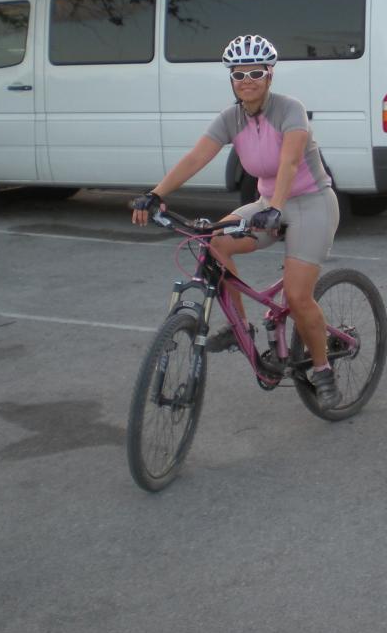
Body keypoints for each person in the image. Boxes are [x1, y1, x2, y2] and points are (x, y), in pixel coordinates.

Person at [130, 34, 342, 409]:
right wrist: (156, 193)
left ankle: (323, 370)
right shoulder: (231, 118)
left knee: (297, 295)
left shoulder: (291, 109)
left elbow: (290, 163)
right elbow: (197, 157)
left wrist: (275, 207)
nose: (247, 80)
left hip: (311, 202)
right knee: (215, 242)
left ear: (270, 75)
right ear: (231, 79)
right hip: (267, 203)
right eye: (238, 73)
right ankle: (240, 328)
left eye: (255, 72)